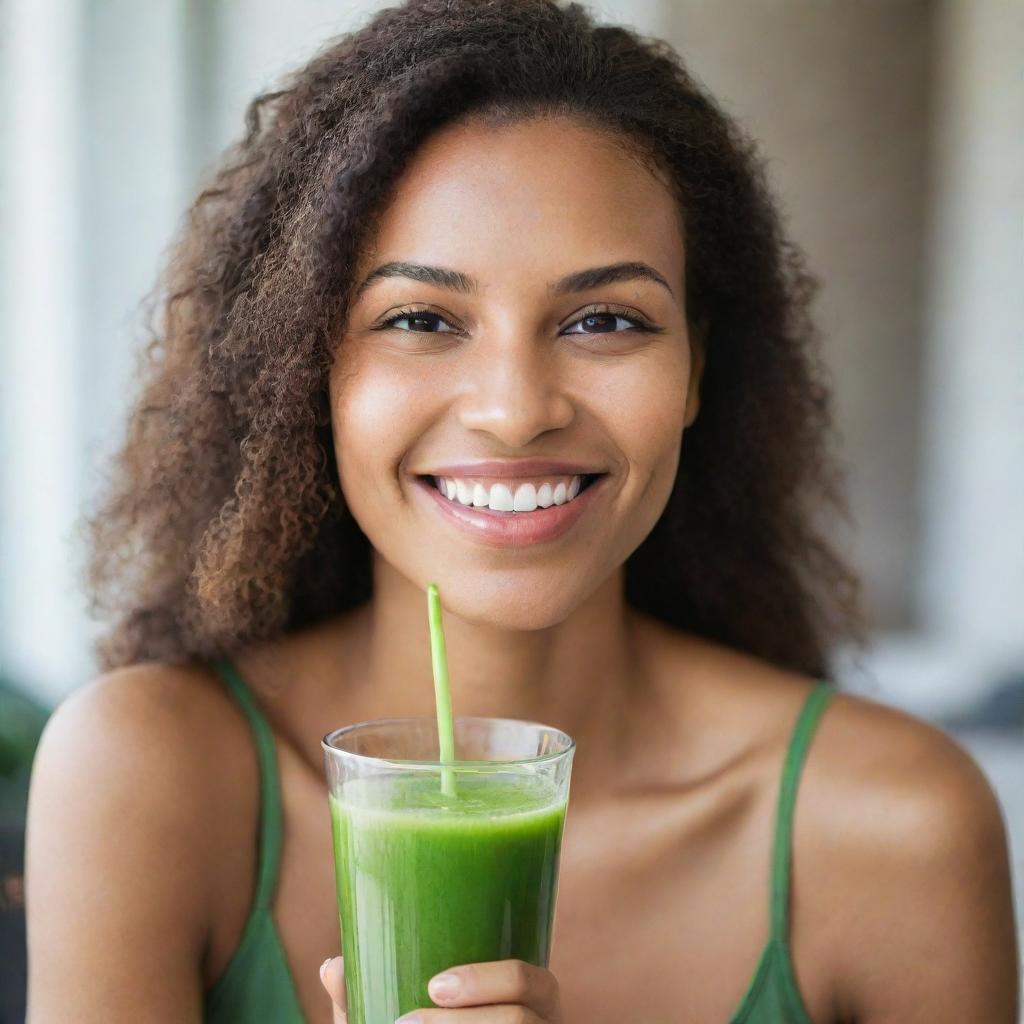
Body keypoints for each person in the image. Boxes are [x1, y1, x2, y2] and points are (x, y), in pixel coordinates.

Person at [24, 1, 1020, 1021]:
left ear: (694, 371)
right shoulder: (150, 779)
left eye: (603, 320)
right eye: (419, 319)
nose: (513, 411)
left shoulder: (895, 827)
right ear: (306, 369)